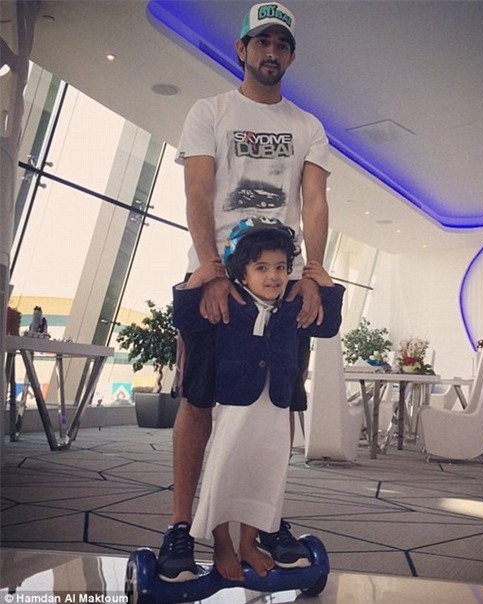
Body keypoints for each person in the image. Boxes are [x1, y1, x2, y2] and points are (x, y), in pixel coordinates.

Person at [158, 2, 330, 583]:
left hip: (281, 280)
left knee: (279, 404)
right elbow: (198, 192)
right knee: (199, 400)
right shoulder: (210, 112)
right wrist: (210, 269)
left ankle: (265, 519)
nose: (271, 52)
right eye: (262, 41)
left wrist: (314, 271)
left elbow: (314, 201)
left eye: (281, 44)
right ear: (242, 49)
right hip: (220, 277)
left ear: (291, 56)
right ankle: (182, 524)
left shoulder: (308, 126)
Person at [171, 218, 343, 581]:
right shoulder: (229, 305)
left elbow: (327, 325)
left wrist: (325, 284)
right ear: (242, 273)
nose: (274, 276)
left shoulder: (293, 306)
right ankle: (222, 544)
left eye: (280, 267)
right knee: (224, 471)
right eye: (261, 268)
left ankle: (249, 543)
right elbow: (184, 317)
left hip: (275, 408)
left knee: (263, 475)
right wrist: (198, 278)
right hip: (236, 406)